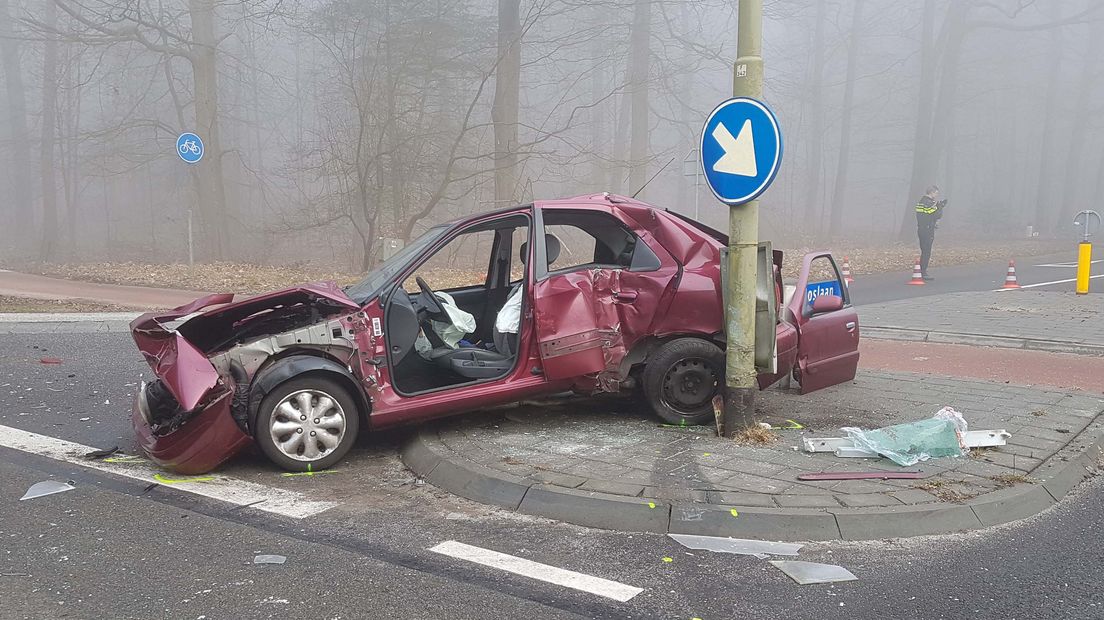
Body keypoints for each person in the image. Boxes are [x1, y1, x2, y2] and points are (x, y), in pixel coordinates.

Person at [915, 185, 947, 280]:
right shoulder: (930, 203)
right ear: (931, 192)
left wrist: (938, 206)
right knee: (926, 251)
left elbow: (924, 214)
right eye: (936, 193)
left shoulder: (920, 202)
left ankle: (921, 270)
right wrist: (940, 207)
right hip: (928, 229)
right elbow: (936, 215)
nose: (936, 195)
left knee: (924, 250)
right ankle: (923, 272)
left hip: (921, 229)